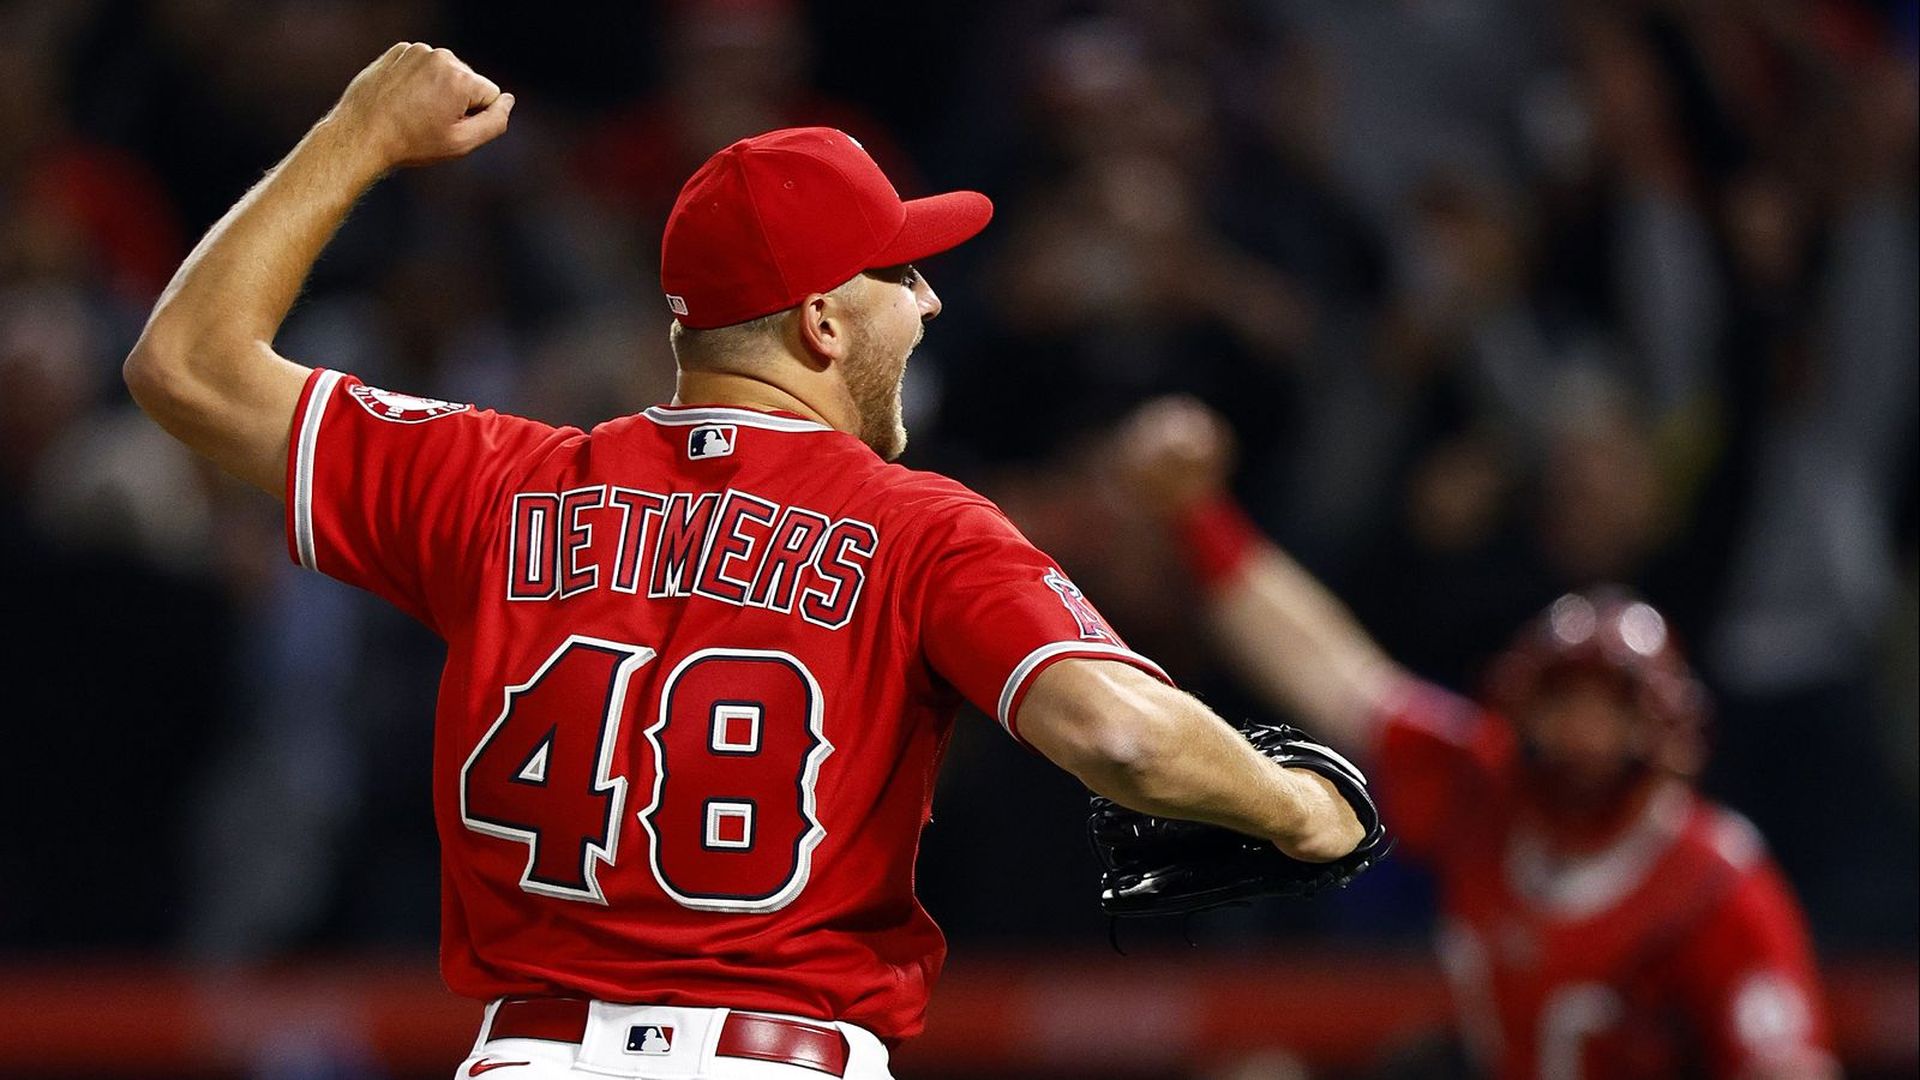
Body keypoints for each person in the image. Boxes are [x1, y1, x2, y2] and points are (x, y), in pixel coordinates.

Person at [122, 44, 1368, 1080]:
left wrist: (357, 130)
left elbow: (186, 367)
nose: (929, 300)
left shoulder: (500, 482)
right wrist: (1301, 811)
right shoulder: (916, 525)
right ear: (822, 320)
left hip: (525, 1057)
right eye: (899, 271)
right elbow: (1126, 736)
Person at [1119, 397, 1838, 1080]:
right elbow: (1331, 670)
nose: (1584, 734)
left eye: (1611, 710)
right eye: (1564, 703)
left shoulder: (1715, 882)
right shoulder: (1481, 785)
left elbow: (1786, 1066)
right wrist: (1199, 517)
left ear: (1664, 730)